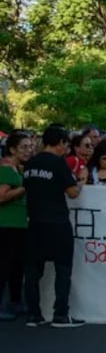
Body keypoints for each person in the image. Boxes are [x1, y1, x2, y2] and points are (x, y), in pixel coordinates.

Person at [24, 126, 87, 328]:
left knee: (33, 271)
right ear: (60, 143)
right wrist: (81, 182)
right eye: (66, 144)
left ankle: (33, 314)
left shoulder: (30, 163)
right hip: (57, 223)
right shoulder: (58, 164)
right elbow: (73, 193)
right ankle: (61, 314)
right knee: (63, 269)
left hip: (34, 223)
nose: (66, 149)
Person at [0, 132, 32, 320]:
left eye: (30, 146)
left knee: (16, 266)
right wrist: (24, 188)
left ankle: (15, 301)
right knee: (4, 266)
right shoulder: (5, 169)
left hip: (18, 224)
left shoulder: (16, 169)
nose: (29, 151)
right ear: (12, 149)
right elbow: (2, 196)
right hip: (7, 224)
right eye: (24, 147)